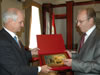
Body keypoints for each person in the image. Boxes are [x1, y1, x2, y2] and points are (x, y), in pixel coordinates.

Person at [0, 8, 52, 75]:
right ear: (10, 21)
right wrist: (39, 69)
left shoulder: (13, 36)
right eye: (20, 22)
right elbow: (15, 70)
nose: (22, 25)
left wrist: (31, 53)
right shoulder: (2, 41)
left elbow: (19, 56)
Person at [64, 8, 100, 75]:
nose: (77, 24)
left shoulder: (98, 37)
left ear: (91, 20)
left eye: (81, 21)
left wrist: (73, 64)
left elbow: (98, 66)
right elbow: (83, 56)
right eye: (77, 21)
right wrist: (72, 55)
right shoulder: (83, 36)